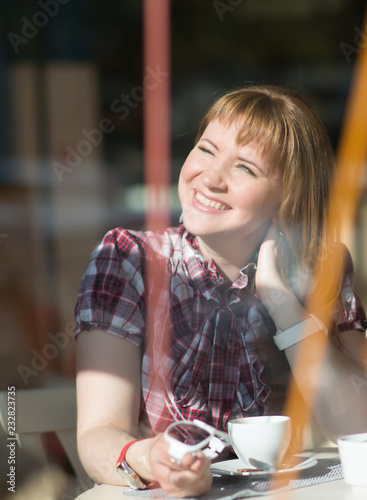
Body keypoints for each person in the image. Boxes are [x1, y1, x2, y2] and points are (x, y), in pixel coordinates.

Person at [75, 84, 367, 497]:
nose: (209, 177)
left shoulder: (322, 267)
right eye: (207, 149)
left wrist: (279, 297)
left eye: (245, 168)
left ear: (289, 195)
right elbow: (98, 436)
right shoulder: (128, 258)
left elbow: (359, 427)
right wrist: (151, 457)